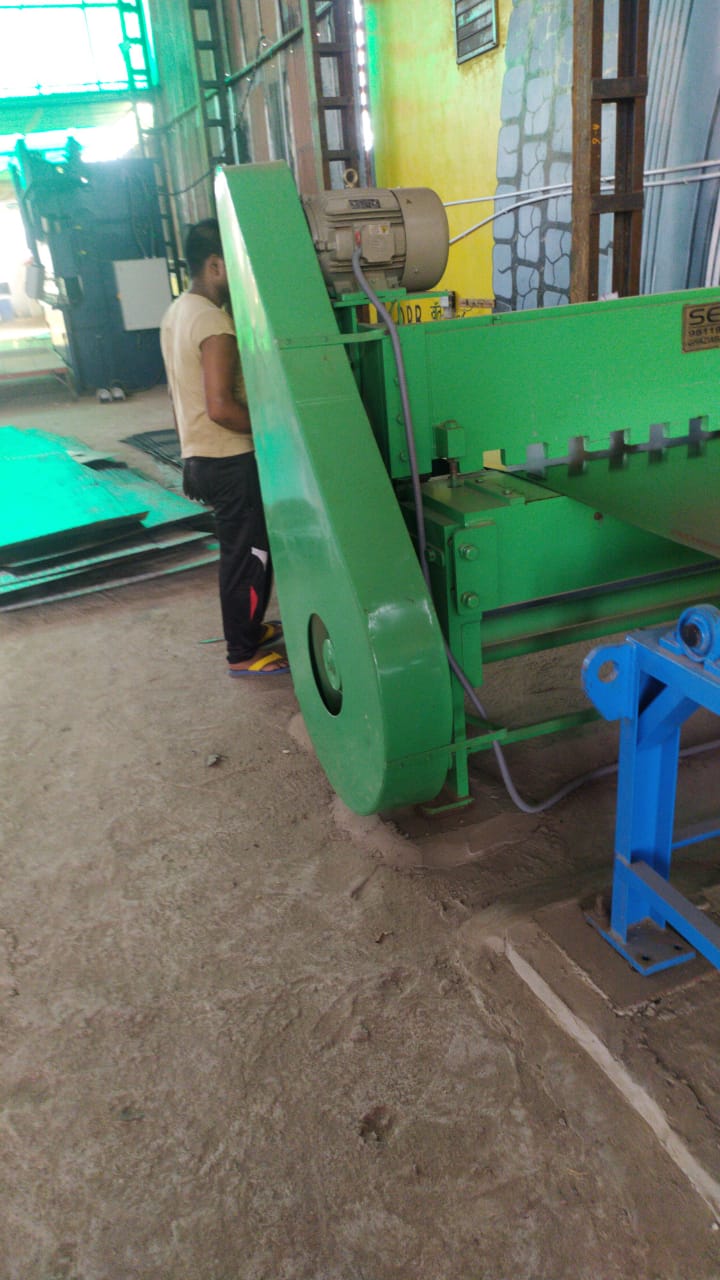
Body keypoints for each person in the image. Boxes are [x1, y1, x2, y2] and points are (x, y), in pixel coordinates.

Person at [160, 219, 288, 677]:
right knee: (249, 557)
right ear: (215, 265)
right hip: (229, 459)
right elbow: (220, 408)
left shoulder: (178, 312)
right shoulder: (213, 321)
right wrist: (281, 429)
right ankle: (242, 652)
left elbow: (182, 398)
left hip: (201, 455)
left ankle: (248, 629)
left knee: (238, 553)